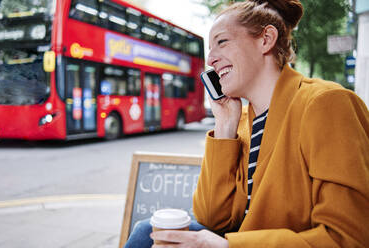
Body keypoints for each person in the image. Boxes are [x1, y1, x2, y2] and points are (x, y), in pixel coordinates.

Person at [125, 0, 369, 247]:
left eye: (222, 42)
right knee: (147, 231)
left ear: (266, 39)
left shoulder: (327, 104)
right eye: (210, 48)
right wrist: (224, 127)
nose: (211, 59)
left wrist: (227, 246)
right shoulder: (241, 122)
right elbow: (212, 217)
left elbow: (348, 238)